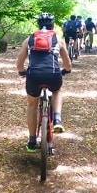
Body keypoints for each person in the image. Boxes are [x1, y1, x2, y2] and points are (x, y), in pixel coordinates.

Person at [16, 13, 72, 152]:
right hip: (53, 74)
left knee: (32, 105)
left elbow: (19, 64)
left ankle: (32, 140)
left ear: (38, 25)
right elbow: (68, 64)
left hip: (34, 76)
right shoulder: (58, 39)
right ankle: (58, 119)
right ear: (53, 25)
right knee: (57, 90)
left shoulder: (29, 39)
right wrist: (65, 71)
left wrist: (22, 72)